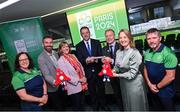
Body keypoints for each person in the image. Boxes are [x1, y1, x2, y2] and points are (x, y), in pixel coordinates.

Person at [112, 29, 148, 111]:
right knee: (127, 105)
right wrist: (113, 70)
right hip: (124, 83)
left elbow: (132, 73)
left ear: (129, 38)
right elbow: (117, 66)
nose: (122, 39)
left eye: (125, 37)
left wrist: (117, 75)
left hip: (135, 84)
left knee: (136, 107)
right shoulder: (118, 52)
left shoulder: (135, 52)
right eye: (120, 37)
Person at [144, 28, 178, 111]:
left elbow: (170, 76)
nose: (151, 41)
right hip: (152, 89)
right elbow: (145, 68)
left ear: (160, 38)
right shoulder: (147, 52)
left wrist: (157, 87)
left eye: (154, 38)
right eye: (149, 38)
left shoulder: (168, 53)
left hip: (166, 92)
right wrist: (149, 84)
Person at [76, 26, 109, 111]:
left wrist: (97, 59)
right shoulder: (78, 46)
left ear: (89, 33)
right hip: (88, 73)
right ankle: (95, 106)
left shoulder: (96, 42)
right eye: (83, 33)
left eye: (87, 32)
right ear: (81, 35)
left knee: (101, 89)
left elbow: (100, 54)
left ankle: (104, 105)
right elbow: (80, 60)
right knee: (92, 91)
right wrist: (86, 61)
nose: (85, 34)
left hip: (98, 70)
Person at [57, 41, 88, 110]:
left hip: (82, 84)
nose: (66, 48)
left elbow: (81, 67)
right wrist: (80, 80)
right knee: (77, 107)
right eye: (63, 47)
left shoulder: (73, 56)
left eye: (67, 46)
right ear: (60, 49)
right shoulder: (60, 61)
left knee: (82, 105)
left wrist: (84, 77)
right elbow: (66, 76)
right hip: (74, 87)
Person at [38, 36, 65, 110]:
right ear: (43, 44)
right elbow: (46, 75)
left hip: (62, 85)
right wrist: (56, 82)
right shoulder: (41, 58)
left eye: (50, 42)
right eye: (46, 42)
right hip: (53, 88)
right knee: (58, 107)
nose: (49, 44)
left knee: (64, 105)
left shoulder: (56, 53)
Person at [102, 29, 123, 110]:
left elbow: (124, 61)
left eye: (110, 35)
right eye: (107, 36)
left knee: (124, 93)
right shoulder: (104, 49)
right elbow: (104, 62)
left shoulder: (121, 46)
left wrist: (111, 60)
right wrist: (103, 63)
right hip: (111, 76)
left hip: (122, 74)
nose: (108, 37)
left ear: (114, 36)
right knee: (117, 93)